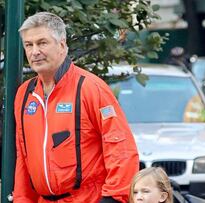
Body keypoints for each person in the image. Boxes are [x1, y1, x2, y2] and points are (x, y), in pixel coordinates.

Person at [13, 12, 139, 203]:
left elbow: (121, 148)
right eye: (29, 45)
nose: (34, 51)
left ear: (62, 45)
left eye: (42, 43)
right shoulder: (24, 94)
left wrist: (113, 198)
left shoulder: (90, 88)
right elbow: (23, 157)